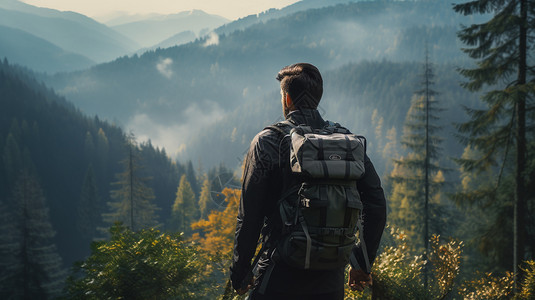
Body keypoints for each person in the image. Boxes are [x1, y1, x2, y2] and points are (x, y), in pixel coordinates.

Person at [230, 63, 387, 300]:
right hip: (330, 284)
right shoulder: (346, 142)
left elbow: (250, 216)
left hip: (278, 278)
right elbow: (376, 204)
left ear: (287, 99)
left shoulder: (269, 141)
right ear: (317, 98)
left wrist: (241, 271)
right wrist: (361, 263)